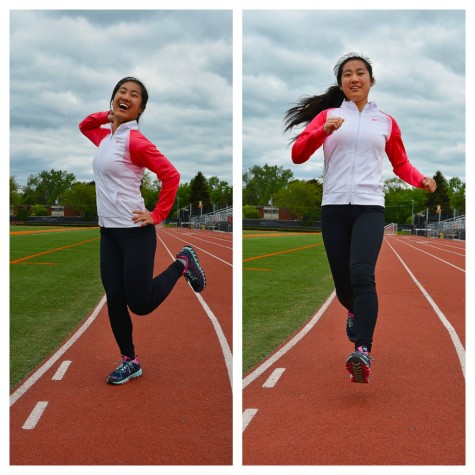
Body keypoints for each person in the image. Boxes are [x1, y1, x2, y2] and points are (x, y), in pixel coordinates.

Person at [284, 53, 436, 383]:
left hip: (370, 206)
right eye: (348, 74)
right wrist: (321, 131)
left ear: (371, 80)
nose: (355, 78)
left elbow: (400, 163)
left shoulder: (385, 121)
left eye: (361, 73)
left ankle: (362, 351)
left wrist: (419, 178)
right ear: (341, 83)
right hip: (334, 207)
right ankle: (352, 309)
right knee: (344, 286)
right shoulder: (328, 115)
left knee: (362, 273)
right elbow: (297, 155)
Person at [80, 77, 206, 385]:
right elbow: (84, 125)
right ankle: (130, 360)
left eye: (134, 95)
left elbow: (171, 175)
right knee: (114, 299)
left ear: (141, 108)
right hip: (108, 233)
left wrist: (158, 214)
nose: (126, 96)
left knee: (141, 304)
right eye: (121, 92)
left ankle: (182, 263)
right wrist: (106, 116)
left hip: (134, 232)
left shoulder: (135, 141)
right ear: (113, 99)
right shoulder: (107, 139)